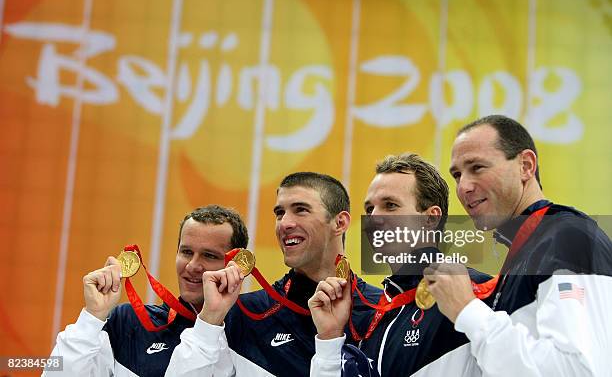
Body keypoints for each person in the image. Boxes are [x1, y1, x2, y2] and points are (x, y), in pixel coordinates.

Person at [424, 115, 612, 376]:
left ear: (525, 166)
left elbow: (577, 370)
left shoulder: (567, 236)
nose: (463, 187)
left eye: (477, 167)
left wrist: (467, 310)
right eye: (457, 175)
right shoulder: (529, 247)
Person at [165, 172, 382, 377]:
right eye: (280, 213)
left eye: (301, 210)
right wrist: (209, 320)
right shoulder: (243, 314)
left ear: (340, 223)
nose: (284, 224)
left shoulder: (382, 311)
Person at [308, 154, 491, 376]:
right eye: (369, 209)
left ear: (431, 219)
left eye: (390, 205)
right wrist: (329, 339)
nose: (374, 219)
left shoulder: (477, 293)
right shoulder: (375, 317)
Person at [45, 205, 248, 377]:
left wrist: (210, 323)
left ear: (238, 265)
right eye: (186, 252)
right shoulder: (129, 324)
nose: (192, 266)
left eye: (209, 256)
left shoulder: (253, 334)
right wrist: (91, 319)